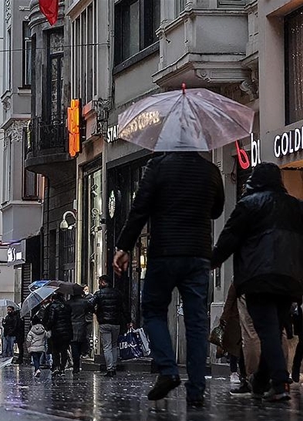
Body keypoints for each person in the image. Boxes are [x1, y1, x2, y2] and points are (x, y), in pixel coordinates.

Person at [113, 151, 224, 406]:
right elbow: (217, 210)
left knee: (152, 310)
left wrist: (124, 246)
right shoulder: (210, 171)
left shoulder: (158, 166)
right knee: (197, 321)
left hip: (164, 252)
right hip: (198, 254)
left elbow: (139, 209)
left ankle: (168, 369)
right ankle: (196, 388)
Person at [212, 163, 303, 402]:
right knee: (274, 330)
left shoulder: (248, 205)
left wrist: (209, 262)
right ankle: (261, 382)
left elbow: (227, 240)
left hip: (257, 278)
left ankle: (280, 382)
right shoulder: (296, 206)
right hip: (290, 280)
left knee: (267, 330)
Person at [90, 275, 126, 377]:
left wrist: (95, 312)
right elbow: (123, 308)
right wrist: (128, 320)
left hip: (104, 322)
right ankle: (113, 367)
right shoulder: (117, 293)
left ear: (104, 282)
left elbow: (89, 304)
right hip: (116, 322)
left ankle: (110, 368)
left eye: (100, 282)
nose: (99, 284)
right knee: (114, 345)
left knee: (107, 346)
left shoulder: (99, 294)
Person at [43, 293, 72, 376]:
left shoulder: (53, 306)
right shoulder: (67, 306)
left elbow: (51, 319)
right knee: (64, 350)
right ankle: (63, 368)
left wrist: (47, 327)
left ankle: (57, 366)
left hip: (56, 332)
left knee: (55, 350)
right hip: (66, 331)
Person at [66, 286, 91, 374]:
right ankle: (79, 362)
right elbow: (89, 310)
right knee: (80, 345)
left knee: (74, 346)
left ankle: (76, 366)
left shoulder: (68, 303)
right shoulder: (84, 302)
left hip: (71, 326)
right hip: (82, 325)